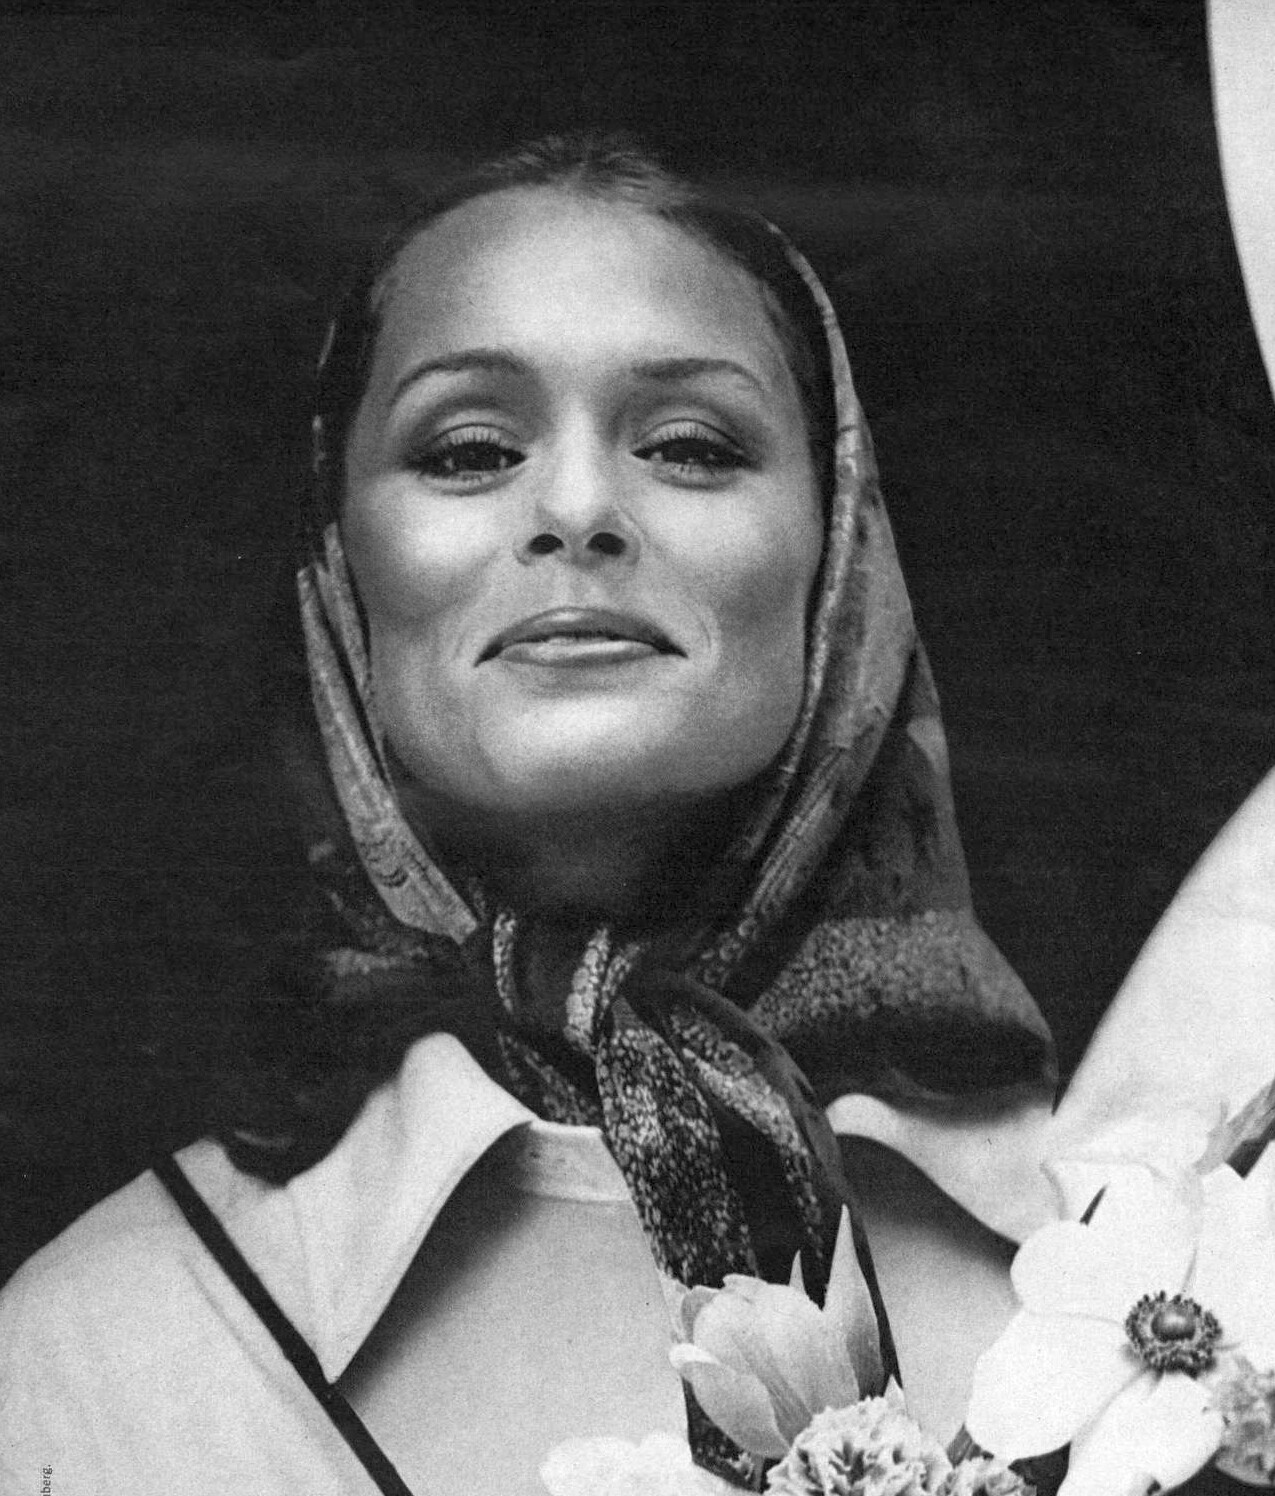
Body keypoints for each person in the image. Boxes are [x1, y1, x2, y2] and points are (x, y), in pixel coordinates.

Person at [0, 134, 1056, 1495]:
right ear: (339, 568)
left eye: (691, 446)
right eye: (469, 451)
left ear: (840, 542)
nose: (576, 508)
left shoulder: (1166, 1240)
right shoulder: (83, 1359)